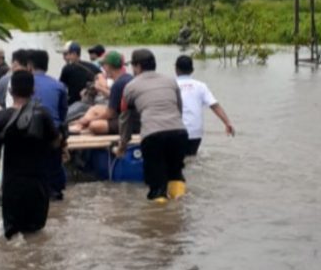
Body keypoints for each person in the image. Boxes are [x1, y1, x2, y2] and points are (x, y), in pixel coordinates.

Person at [0, 70, 60, 239]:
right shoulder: (43, 114)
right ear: (33, 91)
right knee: (36, 233)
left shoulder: (2, 117)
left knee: (11, 234)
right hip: (38, 184)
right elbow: (56, 143)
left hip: (12, 186)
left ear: (10, 91)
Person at [116, 49, 188, 203]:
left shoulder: (130, 87)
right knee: (176, 173)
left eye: (133, 67)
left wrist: (123, 144)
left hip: (153, 135)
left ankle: (159, 220)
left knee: (157, 184)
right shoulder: (170, 81)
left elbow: (125, 118)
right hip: (179, 132)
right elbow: (179, 109)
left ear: (137, 67)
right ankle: (179, 210)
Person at [28, 49, 68, 200]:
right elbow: (63, 114)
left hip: (29, 132)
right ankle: (55, 192)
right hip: (53, 134)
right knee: (54, 169)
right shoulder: (59, 85)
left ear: (30, 65)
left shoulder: (25, 83)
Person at [175, 55, 235, 155]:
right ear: (192, 70)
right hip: (195, 132)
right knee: (191, 158)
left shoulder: (170, 85)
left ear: (176, 69)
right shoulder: (200, 86)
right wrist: (227, 123)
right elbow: (214, 105)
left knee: (176, 161)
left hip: (175, 131)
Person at [69, 50, 135, 135]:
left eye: (103, 65)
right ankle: (79, 126)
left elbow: (110, 114)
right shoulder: (128, 77)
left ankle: (80, 127)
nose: (102, 68)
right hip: (125, 115)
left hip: (129, 122)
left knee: (94, 125)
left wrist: (88, 121)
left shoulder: (118, 84)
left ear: (108, 66)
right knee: (95, 108)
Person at [59, 41, 101, 105]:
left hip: (73, 104)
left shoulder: (67, 69)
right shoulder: (93, 67)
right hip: (92, 103)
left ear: (74, 54)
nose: (64, 58)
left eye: (66, 54)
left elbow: (61, 88)